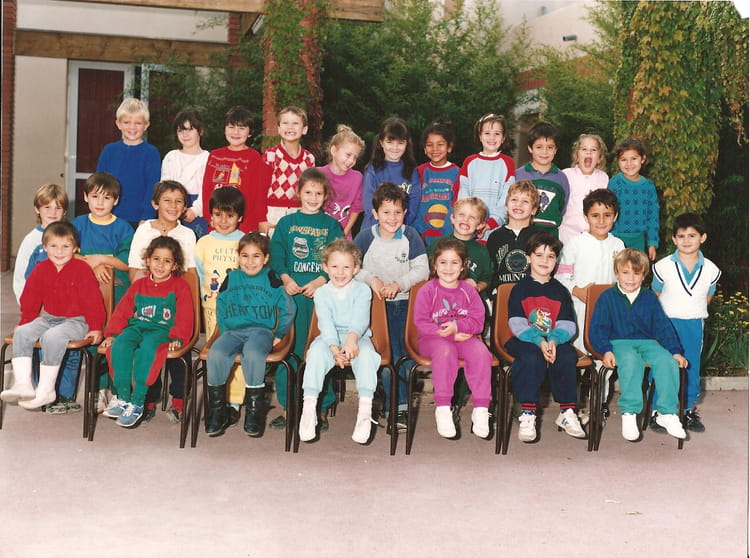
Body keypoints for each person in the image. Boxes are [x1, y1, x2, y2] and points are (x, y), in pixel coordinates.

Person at [269, 168, 343, 431]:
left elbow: (340, 257)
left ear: (325, 196)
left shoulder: (331, 225)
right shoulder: (287, 223)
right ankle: (288, 407)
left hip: (321, 299)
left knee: (321, 352)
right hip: (292, 300)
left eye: (318, 193)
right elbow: (276, 254)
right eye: (308, 192)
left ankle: (321, 409)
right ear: (298, 192)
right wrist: (285, 278)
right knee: (288, 351)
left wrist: (322, 279)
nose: (313, 198)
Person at [1, 222, 105, 409]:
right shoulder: (41, 268)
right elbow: (30, 298)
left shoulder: (82, 269)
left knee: (52, 336)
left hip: (77, 321)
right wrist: (26, 321)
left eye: (65, 246)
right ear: (45, 247)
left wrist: (96, 327)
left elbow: (93, 301)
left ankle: (47, 389)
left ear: (75, 248)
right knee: (22, 333)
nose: (59, 251)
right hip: (49, 318)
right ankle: (23, 384)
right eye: (54, 246)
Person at [589, 249, 687, 441]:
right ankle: (629, 413)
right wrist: (605, 350)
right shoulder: (607, 297)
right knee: (631, 360)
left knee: (666, 361)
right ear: (616, 273)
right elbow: (597, 329)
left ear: (644, 276)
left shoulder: (649, 298)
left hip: (647, 342)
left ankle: (666, 413)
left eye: (636, 273)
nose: (631, 278)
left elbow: (663, 327)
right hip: (619, 342)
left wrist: (675, 352)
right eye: (625, 272)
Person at [354, 182, 429, 428]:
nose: (392, 217)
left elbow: (422, 270)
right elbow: (351, 267)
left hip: (403, 306)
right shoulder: (366, 237)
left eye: (398, 212)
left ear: (405, 213)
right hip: (373, 308)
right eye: (386, 212)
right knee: (382, 355)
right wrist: (372, 279)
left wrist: (399, 284)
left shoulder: (411, 236)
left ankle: (399, 406)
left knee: (402, 356)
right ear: (375, 214)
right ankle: (391, 403)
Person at [206, 232, 295, 438]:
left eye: (256, 256)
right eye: (245, 256)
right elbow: (221, 304)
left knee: (253, 354)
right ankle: (217, 411)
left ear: (265, 258)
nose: (250, 261)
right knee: (216, 353)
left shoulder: (271, 277)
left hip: (260, 331)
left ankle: (254, 411)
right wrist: (224, 330)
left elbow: (288, 307)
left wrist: (280, 332)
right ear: (238, 257)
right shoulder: (232, 277)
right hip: (233, 331)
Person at [100, 237, 193, 428]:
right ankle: (123, 398)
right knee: (119, 345)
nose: (160, 265)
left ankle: (137, 402)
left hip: (162, 330)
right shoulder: (139, 285)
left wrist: (178, 337)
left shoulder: (180, 286)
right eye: (156, 259)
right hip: (137, 327)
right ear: (148, 260)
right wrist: (113, 334)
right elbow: (122, 311)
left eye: (167, 261)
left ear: (175, 265)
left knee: (148, 350)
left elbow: (185, 316)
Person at [505, 232, 586, 443]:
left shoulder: (560, 291)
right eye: (539, 255)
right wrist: (539, 341)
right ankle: (528, 412)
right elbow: (516, 323)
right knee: (532, 357)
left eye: (550, 256)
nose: (544, 260)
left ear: (556, 260)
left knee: (567, 356)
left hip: (553, 340)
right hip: (525, 339)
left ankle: (567, 412)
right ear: (528, 257)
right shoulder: (520, 289)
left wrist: (554, 340)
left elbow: (568, 324)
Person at [299, 239, 380, 444]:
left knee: (367, 356)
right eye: (334, 266)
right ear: (325, 268)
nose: (340, 272)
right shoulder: (322, 293)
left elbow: (360, 320)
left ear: (356, 269)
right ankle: (308, 409)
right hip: (329, 338)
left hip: (357, 336)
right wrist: (334, 348)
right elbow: (325, 323)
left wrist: (351, 341)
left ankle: (365, 411)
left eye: (346, 267)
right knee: (315, 354)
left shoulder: (363, 290)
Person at [128, 180, 197, 422]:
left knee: (178, 345)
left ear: (185, 206)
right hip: (149, 303)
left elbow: (190, 274)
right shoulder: (144, 230)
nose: (173, 206)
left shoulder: (187, 234)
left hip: (175, 303)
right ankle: (148, 399)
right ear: (155, 203)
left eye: (179, 201)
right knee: (147, 347)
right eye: (167, 200)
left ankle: (179, 400)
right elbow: (135, 270)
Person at [413, 238, 492, 439]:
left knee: (481, 352)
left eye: (454, 262)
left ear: (463, 265)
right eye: (443, 262)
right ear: (435, 265)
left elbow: (477, 322)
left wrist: (458, 326)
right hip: (432, 340)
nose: (448, 268)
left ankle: (481, 408)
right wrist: (448, 332)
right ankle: (443, 407)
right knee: (444, 350)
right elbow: (421, 323)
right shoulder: (427, 290)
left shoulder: (469, 291)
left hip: (462, 338)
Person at [71, 171, 134, 414]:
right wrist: (93, 264)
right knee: (93, 338)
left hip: (118, 293)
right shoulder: (78, 225)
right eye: (95, 196)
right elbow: (67, 253)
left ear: (115, 200)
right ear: (85, 197)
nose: (100, 202)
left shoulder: (123, 227)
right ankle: (98, 390)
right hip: (87, 295)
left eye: (106, 198)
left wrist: (102, 259)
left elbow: (127, 261)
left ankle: (119, 392)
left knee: (116, 339)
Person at [652, 213, 720, 433]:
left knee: (690, 365)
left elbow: (707, 297)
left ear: (703, 237)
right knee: (663, 365)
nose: (686, 240)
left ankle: (687, 409)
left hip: (693, 323)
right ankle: (658, 411)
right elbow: (654, 295)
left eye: (692, 235)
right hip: (667, 324)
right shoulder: (663, 266)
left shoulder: (711, 269)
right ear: (674, 239)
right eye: (681, 236)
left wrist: (691, 310)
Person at [195, 187, 247, 421]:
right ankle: (217, 399)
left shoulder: (245, 242)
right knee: (216, 354)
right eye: (218, 215)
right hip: (212, 309)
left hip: (240, 311)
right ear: (211, 216)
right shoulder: (203, 243)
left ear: (240, 217)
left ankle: (234, 402)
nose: (223, 221)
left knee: (238, 354)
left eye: (230, 215)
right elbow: (198, 276)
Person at [555, 188, 624, 353]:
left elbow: (622, 278)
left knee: (605, 352)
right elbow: (561, 276)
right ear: (586, 217)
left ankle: (603, 371)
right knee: (580, 350)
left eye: (607, 215)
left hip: (609, 309)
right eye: (595, 215)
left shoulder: (618, 245)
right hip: (580, 307)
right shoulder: (574, 244)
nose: (601, 221)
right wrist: (576, 291)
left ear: (615, 216)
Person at [201, 105, 270, 233]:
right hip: (216, 224)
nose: (236, 132)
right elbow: (206, 190)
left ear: (250, 132)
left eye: (242, 128)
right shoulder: (215, 155)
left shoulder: (254, 157)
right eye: (231, 127)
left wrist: (252, 222)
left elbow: (258, 194)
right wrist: (208, 217)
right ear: (224, 129)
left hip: (243, 225)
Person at [96, 98, 161, 227]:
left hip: (139, 219)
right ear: (118, 124)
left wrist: (147, 216)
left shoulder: (151, 153)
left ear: (146, 125)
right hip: (109, 216)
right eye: (126, 122)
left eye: (138, 123)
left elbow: (153, 187)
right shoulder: (109, 151)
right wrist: (99, 210)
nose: (132, 127)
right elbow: (99, 185)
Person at [456, 113, 515, 240]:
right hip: (469, 227)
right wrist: (467, 220)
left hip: (495, 229)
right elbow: (463, 196)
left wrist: (491, 223)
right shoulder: (469, 162)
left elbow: (507, 198)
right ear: (480, 136)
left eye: (497, 134)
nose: (492, 137)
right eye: (487, 133)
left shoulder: (508, 163)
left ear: (503, 138)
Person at [259, 106, 316, 236]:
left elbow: (310, 190)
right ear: (279, 129)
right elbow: (260, 191)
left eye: (295, 123)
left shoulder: (309, 159)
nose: (290, 127)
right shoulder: (271, 155)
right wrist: (261, 219)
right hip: (273, 213)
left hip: (299, 212)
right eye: (285, 123)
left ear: (304, 129)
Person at [360, 117, 421, 229]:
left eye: (400, 143)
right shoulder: (373, 170)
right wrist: (384, 229)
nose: (395, 148)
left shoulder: (412, 171)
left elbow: (414, 204)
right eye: (390, 142)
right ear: (381, 143)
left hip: (400, 230)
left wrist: (398, 226)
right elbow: (368, 204)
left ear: (407, 144)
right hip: (374, 229)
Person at [427, 197, 492, 301]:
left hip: (471, 302)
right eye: (462, 215)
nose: (465, 220)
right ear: (453, 218)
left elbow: (487, 279)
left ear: (480, 225)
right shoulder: (436, 244)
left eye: (472, 217)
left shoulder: (482, 251)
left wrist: (476, 287)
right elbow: (427, 274)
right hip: (440, 299)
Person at [13, 183, 68, 303]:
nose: (53, 212)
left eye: (58, 208)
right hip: (39, 302)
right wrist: (26, 303)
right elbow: (20, 276)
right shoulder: (31, 240)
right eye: (47, 207)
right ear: (37, 209)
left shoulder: (69, 237)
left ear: (64, 211)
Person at [161, 108, 210, 238]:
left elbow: (208, 190)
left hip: (197, 211)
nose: (185, 134)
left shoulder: (208, 158)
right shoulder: (171, 157)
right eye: (181, 130)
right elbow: (164, 188)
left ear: (200, 131)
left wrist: (195, 210)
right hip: (172, 209)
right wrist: (172, 207)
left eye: (190, 129)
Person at [515, 121, 569, 238]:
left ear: (556, 150)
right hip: (523, 232)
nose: (544, 152)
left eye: (550, 147)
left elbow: (562, 207)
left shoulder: (561, 178)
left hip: (550, 236)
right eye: (539, 147)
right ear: (530, 148)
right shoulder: (519, 175)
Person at [608, 138, 659, 260]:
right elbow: (609, 212)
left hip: (639, 239)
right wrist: (612, 238)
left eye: (634, 158)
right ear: (618, 161)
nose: (629, 164)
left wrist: (652, 242)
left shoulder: (649, 186)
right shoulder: (615, 183)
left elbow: (653, 216)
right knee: (616, 269)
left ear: (643, 159)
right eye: (623, 160)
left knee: (636, 269)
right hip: (617, 237)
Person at [486, 180, 542, 288]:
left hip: (532, 293)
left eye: (525, 201)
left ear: (534, 210)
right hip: (502, 293)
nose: (518, 204)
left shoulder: (540, 238)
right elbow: (490, 272)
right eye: (514, 199)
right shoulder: (495, 237)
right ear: (506, 206)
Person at [414, 117, 460, 245]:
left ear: (449, 147)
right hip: (421, 236)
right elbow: (414, 202)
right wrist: (419, 232)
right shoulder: (419, 172)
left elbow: (457, 205)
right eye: (430, 145)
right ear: (424, 148)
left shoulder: (458, 173)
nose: (435, 149)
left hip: (448, 236)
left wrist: (448, 233)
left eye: (440, 144)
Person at [559, 133, 609, 245]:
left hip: (593, 238)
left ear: (600, 158)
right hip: (567, 236)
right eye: (584, 149)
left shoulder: (603, 178)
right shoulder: (566, 175)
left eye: (594, 150)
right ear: (576, 156)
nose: (588, 152)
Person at [320, 124, 365, 239]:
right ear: (334, 150)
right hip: (318, 233)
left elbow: (356, 208)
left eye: (355, 157)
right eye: (348, 155)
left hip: (343, 236)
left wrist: (343, 234)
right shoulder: (318, 174)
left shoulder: (357, 178)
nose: (351, 161)